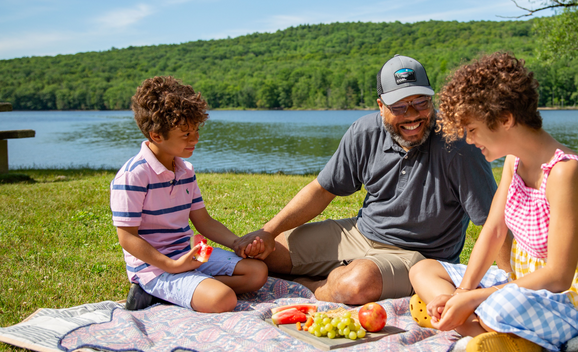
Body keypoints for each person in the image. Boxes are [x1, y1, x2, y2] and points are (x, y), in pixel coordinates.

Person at [408, 52, 578, 352]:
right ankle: (479, 325)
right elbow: (494, 230)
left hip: (577, 300)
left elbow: (558, 276)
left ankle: (488, 330)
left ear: (506, 119)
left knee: (494, 305)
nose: (469, 140)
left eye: (472, 129)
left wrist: (476, 298)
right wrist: (464, 292)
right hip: (524, 287)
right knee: (423, 269)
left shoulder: (565, 174)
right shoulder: (514, 161)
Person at [234, 55, 503, 305]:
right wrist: (268, 232)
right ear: (380, 106)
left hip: (420, 256)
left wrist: (513, 283)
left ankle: (310, 288)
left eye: (421, 102)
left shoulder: (458, 145)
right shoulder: (364, 132)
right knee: (264, 254)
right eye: (399, 106)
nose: (412, 115)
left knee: (354, 285)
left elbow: (496, 223)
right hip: (360, 233)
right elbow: (321, 190)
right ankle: (332, 277)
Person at [111, 76, 269, 313]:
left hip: (189, 253)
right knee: (223, 299)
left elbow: (203, 221)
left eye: (195, 130)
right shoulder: (133, 176)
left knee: (258, 273)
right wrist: (172, 266)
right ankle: (156, 290)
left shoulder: (185, 170)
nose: (195, 139)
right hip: (155, 267)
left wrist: (237, 243)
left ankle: (186, 289)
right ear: (156, 136)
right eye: (185, 135)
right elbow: (127, 237)